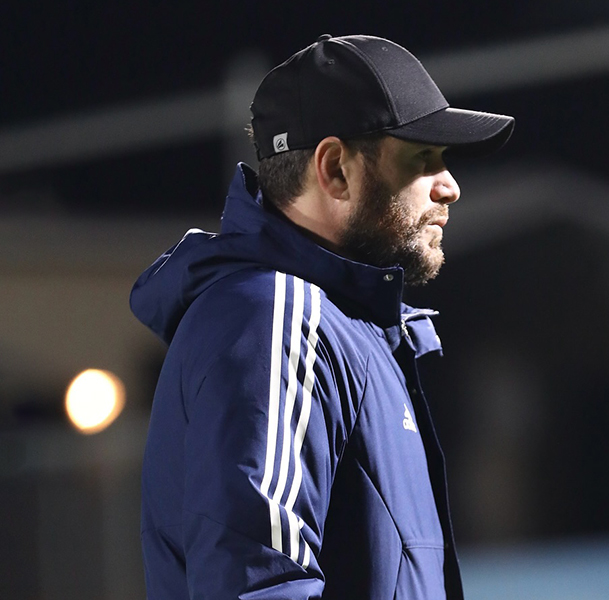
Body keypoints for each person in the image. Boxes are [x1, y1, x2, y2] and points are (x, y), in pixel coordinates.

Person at [130, 34, 514, 600]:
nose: (449, 186)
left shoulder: (344, 326)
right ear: (335, 169)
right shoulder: (274, 320)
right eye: (421, 157)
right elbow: (262, 589)